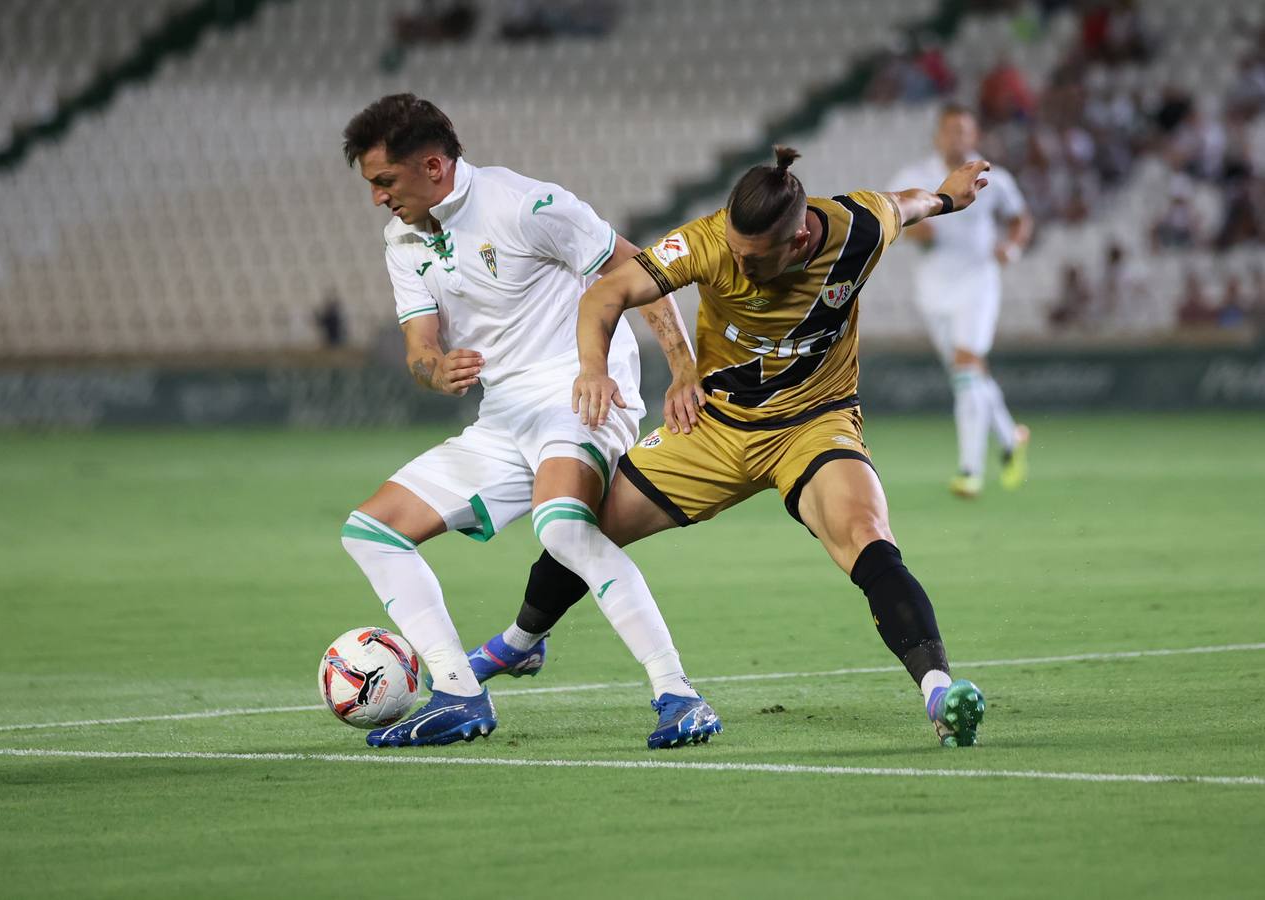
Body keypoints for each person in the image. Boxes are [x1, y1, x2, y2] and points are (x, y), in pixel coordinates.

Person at [469, 146, 992, 748]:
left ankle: (938, 693)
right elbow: (602, 296)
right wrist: (595, 369)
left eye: (752, 257)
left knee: (867, 535)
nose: (736, 266)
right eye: (734, 251)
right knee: (583, 527)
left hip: (813, 425)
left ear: (798, 239)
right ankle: (520, 643)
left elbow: (911, 204)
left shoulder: (858, 227)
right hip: (714, 428)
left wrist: (950, 194)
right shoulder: (708, 241)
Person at [338, 94, 720, 748]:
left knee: (564, 528)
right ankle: (459, 692)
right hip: (503, 416)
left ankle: (677, 693)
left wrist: (684, 369)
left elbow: (641, 272)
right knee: (370, 532)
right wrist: (435, 368)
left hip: (583, 391)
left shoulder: (524, 205)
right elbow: (420, 351)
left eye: (384, 182)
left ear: (432, 166)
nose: (377, 198)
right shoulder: (402, 238)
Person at [891, 104, 1034, 498]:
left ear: (975, 136)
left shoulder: (995, 179)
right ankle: (1010, 439)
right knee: (968, 375)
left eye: (965, 131)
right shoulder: (913, 177)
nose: (958, 138)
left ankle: (970, 470)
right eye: (951, 130)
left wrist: (1013, 248)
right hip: (933, 288)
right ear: (938, 135)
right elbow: (894, 219)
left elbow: (1022, 219)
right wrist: (914, 230)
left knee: (966, 367)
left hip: (978, 281)